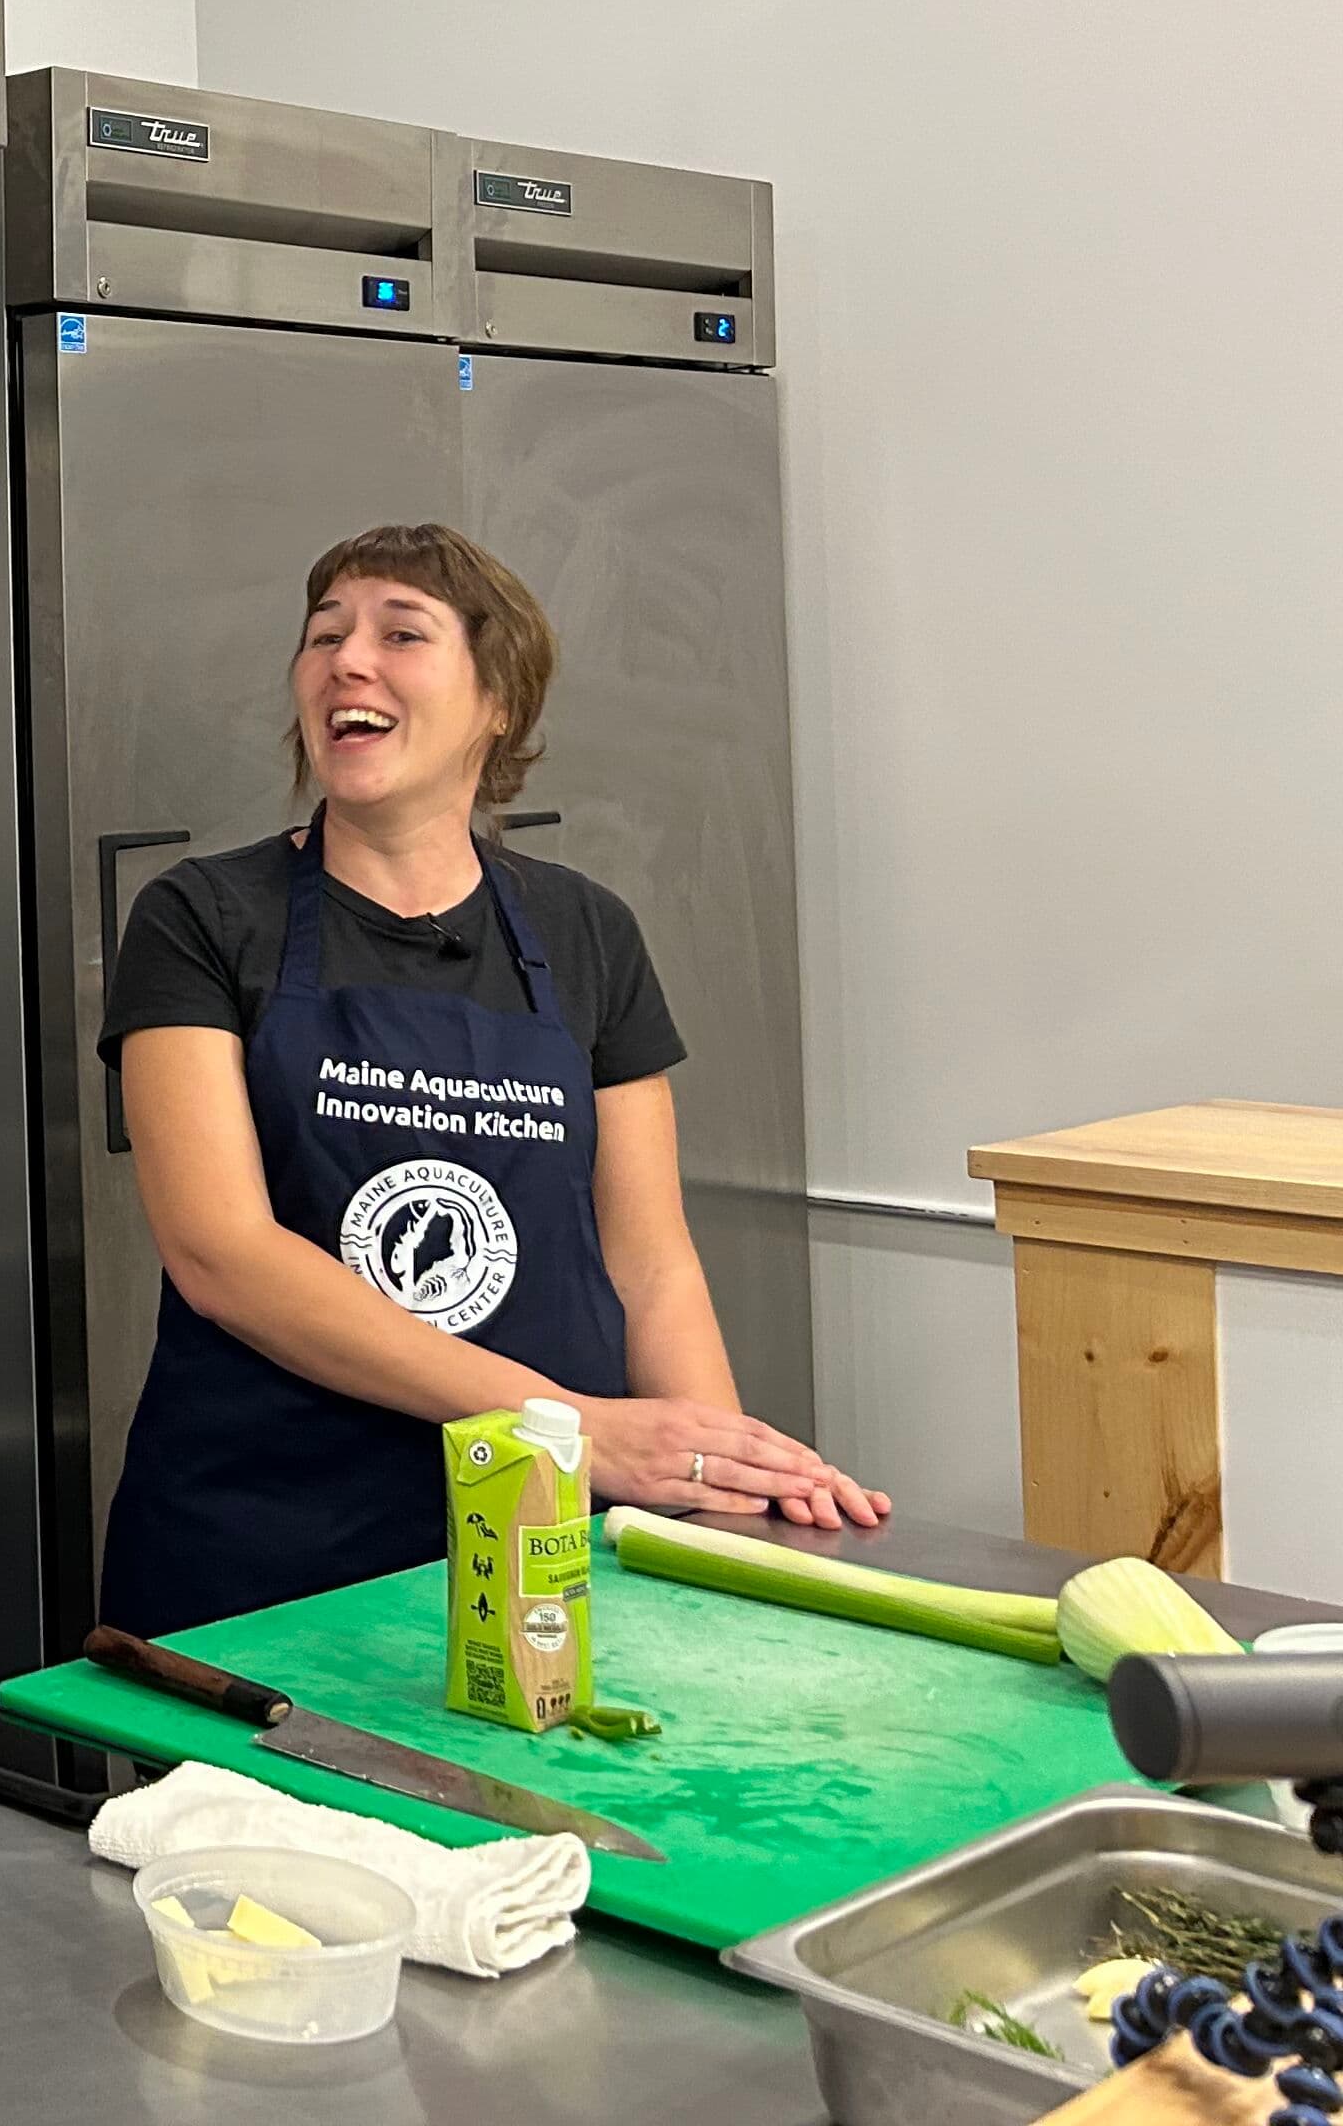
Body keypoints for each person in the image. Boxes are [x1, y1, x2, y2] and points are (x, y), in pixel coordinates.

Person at [94, 520, 884, 1639]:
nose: (346, 662)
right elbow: (223, 1253)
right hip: (269, 1553)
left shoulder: (585, 930)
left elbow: (650, 1264)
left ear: (499, 699)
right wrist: (574, 1425)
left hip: (543, 1549)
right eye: (325, 637)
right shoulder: (202, 918)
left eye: (400, 633)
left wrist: (719, 1483)